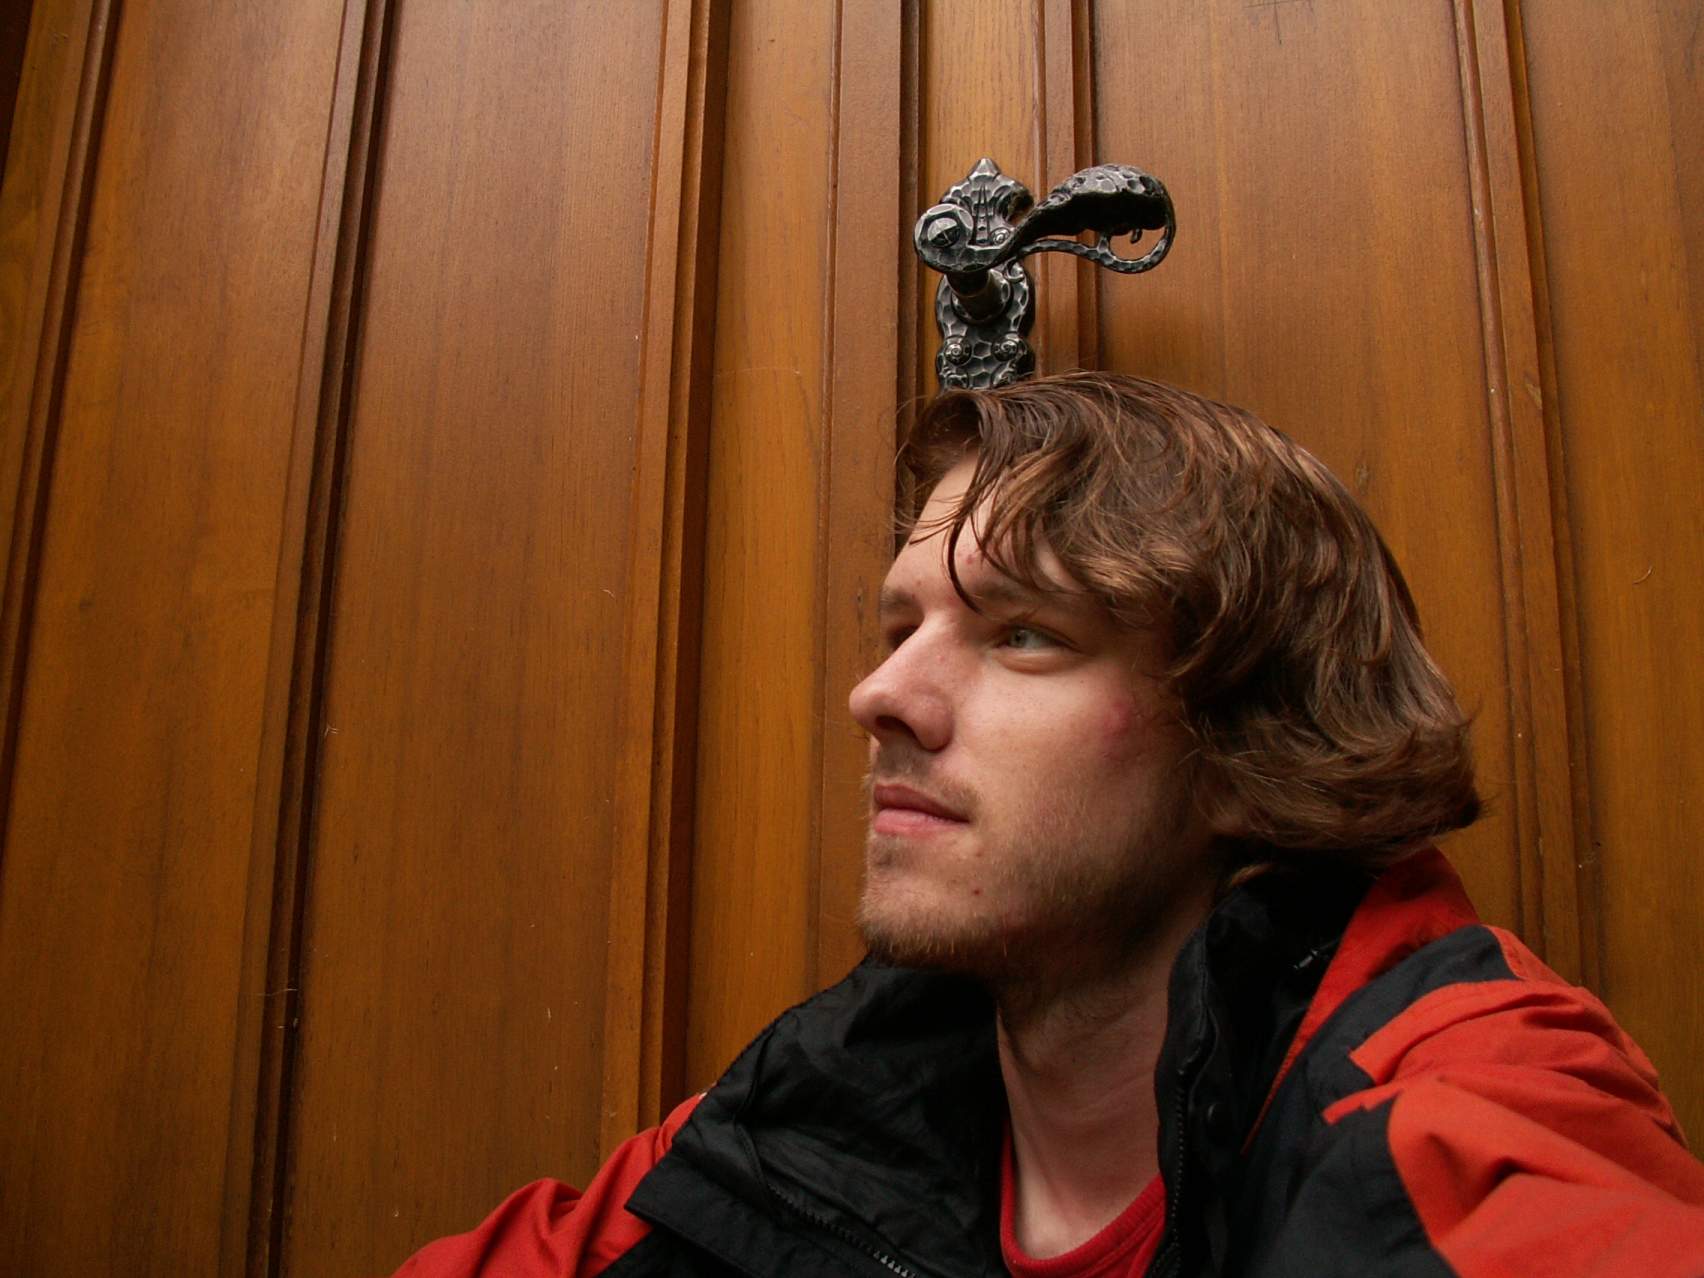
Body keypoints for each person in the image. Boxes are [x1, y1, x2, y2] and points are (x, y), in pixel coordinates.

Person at [396, 373, 1704, 1276]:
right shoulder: (813, 1108)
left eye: (1024, 632)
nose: (879, 694)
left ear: (1247, 732)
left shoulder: (1457, 1103)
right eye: (902, 624)